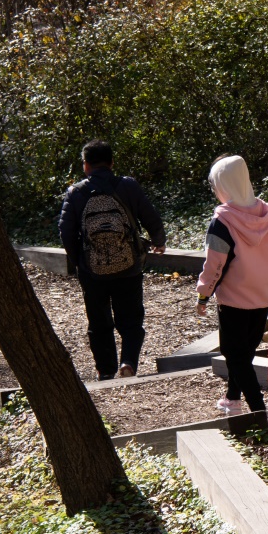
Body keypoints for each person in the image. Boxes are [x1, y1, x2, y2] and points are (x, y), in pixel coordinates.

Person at [59, 139, 167, 379]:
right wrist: (158, 241)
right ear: (111, 163)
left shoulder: (76, 193)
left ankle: (106, 371)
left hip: (92, 271)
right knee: (131, 319)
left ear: (86, 165)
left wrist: (80, 262)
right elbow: (150, 216)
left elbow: (66, 232)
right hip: (128, 266)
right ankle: (128, 362)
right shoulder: (128, 186)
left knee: (98, 323)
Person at [195, 155, 268, 415]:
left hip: (234, 298)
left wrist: (203, 294)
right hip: (263, 295)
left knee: (234, 354)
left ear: (223, 185)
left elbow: (215, 265)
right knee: (245, 351)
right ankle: (232, 399)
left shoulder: (222, 221)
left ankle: (258, 411)